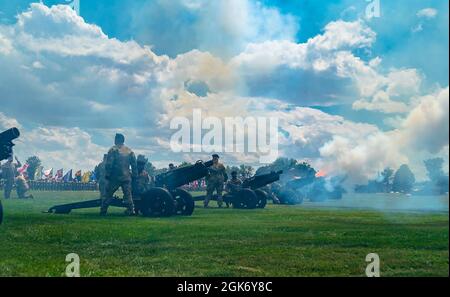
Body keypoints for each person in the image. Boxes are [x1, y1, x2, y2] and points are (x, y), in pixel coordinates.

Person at [100, 133, 137, 216]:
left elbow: (109, 164)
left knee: (108, 194)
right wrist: (135, 175)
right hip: (127, 176)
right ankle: (131, 210)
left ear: (117, 140)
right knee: (128, 195)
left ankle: (103, 210)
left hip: (115, 177)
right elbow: (134, 165)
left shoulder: (113, 150)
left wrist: (107, 174)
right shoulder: (129, 151)